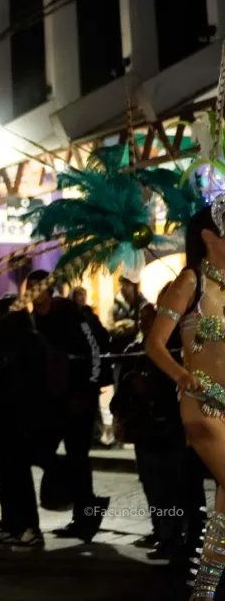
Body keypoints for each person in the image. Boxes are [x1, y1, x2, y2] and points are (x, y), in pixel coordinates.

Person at [146, 198, 225, 599]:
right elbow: (154, 343)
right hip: (203, 406)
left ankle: (206, 588)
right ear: (209, 236)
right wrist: (182, 375)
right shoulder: (190, 282)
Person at [24, 268, 110, 541]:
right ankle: (84, 500)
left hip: (77, 399)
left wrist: (88, 389)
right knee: (39, 450)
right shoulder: (32, 321)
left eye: (40, 286)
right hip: (50, 402)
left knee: (78, 456)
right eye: (31, 287)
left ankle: (84, 516)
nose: (35, 293)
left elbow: (95, 349)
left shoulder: (71, 313)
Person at [111, 303, 197, 563]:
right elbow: (119, 400)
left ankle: (182, 536)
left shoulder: (176, 352)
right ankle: (163, 534)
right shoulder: (134, 353)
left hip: (170, 430)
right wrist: (131, 387)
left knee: (175, 488)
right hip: (145, 432)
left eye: (150, 320)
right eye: (142, 320)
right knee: (154, 489)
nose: (144, 324)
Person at [0, 295, 52, 550]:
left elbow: (22, 381)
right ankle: (14, 524)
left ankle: (27, 528)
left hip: (18, 418)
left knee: (16, 475)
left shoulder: (21, 343)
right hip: (13, 418)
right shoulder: (25, 340)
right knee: (8, 474)